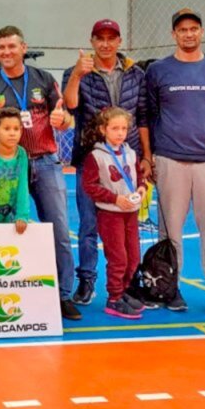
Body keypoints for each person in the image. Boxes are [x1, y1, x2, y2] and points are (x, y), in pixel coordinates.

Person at [0, 25, 81, 320]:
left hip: (44, 161)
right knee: (4, 225)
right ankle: (8, 286)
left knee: (59, 231)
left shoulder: (43, 79)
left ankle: (63, 294)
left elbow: (66, 119)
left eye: (11, 47)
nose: (6, 52)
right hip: (8, 166)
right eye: (1, 48)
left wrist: (62, 119)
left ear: (23, 48)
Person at [145, 9, 205, 317]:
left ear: (201, 32)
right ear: (174, 34)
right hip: (170, 158)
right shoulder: (158, 70)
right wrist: (152, 156)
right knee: (170, 230)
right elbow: (150, 116)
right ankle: (170, 286)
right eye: (182, 29)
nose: (188, 34)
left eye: (193, 28)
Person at [61, 19, 149, 306]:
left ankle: (126, 283)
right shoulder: (78, 72)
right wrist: (76, 74)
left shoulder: (136, 73)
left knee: (126, 225)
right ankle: (87, 280)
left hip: (127, 160)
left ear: (119, 41)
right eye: (100, 38)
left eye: (111, 38)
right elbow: (70, 104)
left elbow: (144, 115)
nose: (106, 43)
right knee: (88, 225)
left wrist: (146, 156)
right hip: (92, 158)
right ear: (92, 41)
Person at [80, 108, 148, 320]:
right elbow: (89, 186)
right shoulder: (96, 156)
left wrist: (141, 189)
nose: (120, 133)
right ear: (103, 129)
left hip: (131, 214)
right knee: (118, 257)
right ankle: (114, 297)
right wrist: (115, 199)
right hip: (110, 214)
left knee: (134, 257)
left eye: (124, 128)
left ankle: (125, 291)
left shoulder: (131, 153)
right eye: (115, 128)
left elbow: (138, 177)